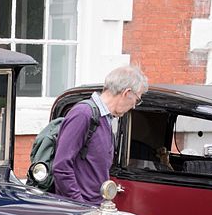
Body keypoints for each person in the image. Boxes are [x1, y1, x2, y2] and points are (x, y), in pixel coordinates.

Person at [52, 65, 148, 203]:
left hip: (95, 208)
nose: (134, 106)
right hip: (80, 211)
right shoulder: (83, 114)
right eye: (137, 99)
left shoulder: (105, 118)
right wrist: (79, 204)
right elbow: (61, 167)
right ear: (127, 93)